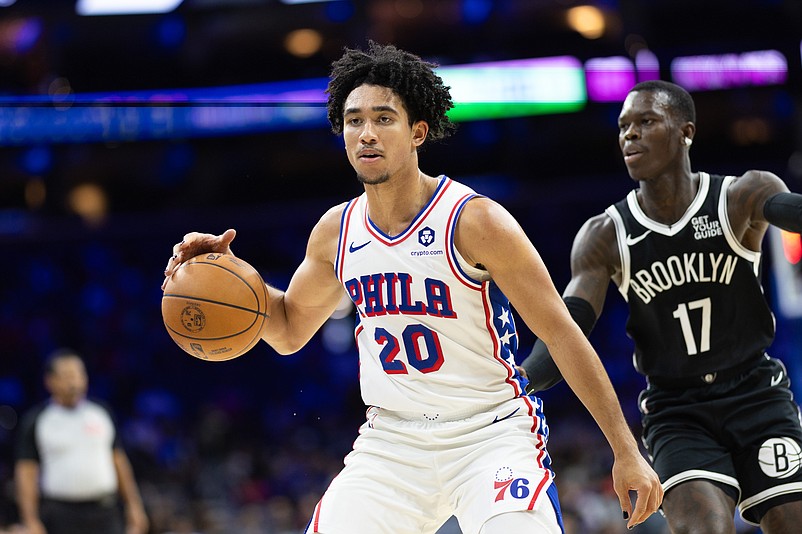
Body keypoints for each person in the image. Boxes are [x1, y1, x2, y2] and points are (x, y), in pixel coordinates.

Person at [163, 41, 662, 534]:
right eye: (354, 120)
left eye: (384, 118)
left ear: (417, 131)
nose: (366, 134)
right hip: (393, 441)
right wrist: (229, 274)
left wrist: (624, 449)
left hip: (489, 433)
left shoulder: (475, 221)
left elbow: (561, 334)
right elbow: (289, 327)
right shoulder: (336, 232)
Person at [521, 79, 802, 533]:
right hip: (677, 410)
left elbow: (789, 209)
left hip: (756, 393)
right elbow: (567, 328)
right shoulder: (605, 234)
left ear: (685, 131)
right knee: (702, 527)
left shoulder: (739, 196)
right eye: (623, 126)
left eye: (646, 121)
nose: (629, 135)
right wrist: (519, 380)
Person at [14, 349, 149, 534]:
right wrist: (30, 519)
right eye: (67, 376)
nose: (74, 381)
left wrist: (134, 505)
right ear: (50, 381)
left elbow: (119, 461)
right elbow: (26, 473)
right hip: (59, 514)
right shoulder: (37, 420)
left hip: (105, 511)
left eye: (79, 374)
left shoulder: (101, 413)